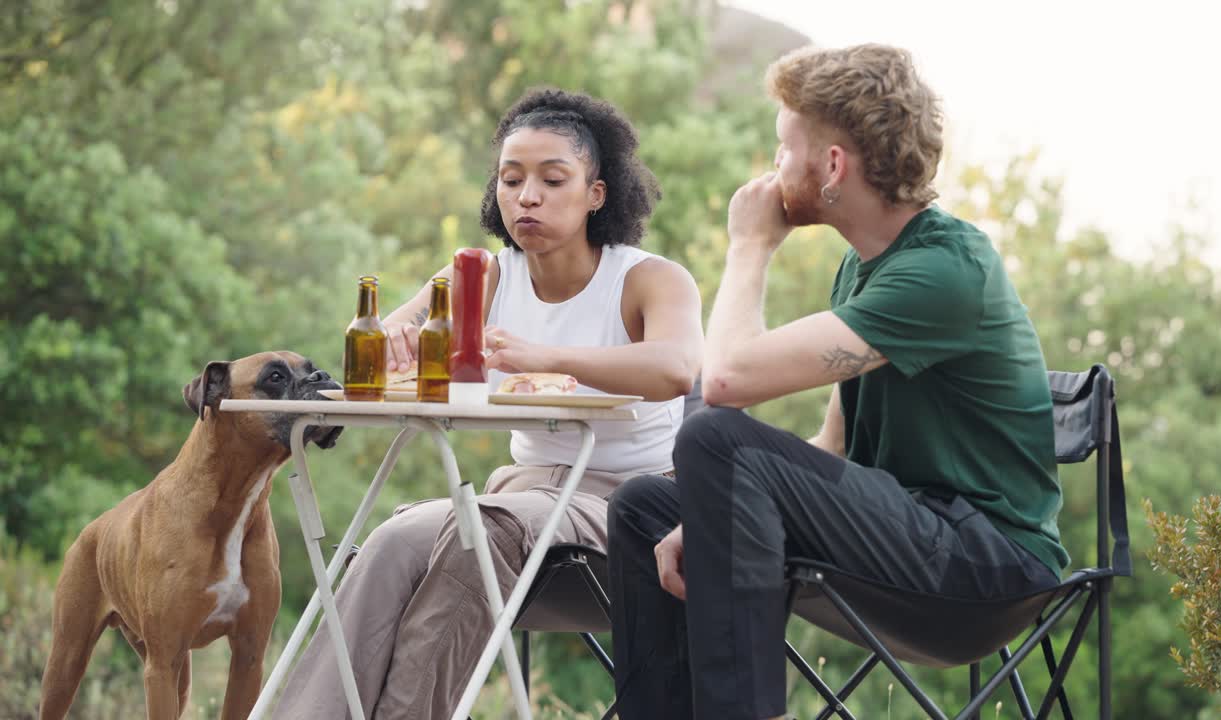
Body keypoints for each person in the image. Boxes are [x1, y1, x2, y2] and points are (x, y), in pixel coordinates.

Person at [607, 44, 1069, 720]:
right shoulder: (864, 270)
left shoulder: (945, 270)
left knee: (715, 439)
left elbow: (728, 382)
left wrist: (750, 246)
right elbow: (833, 446)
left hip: (985, 568)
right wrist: (707, 511)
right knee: (645, 509)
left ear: (830, 165)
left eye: (781, 148)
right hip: (909, 536)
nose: (771, 169)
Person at [274, 88, 703, 719]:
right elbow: (379, 348)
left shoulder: (647, 279)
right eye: (511, 179)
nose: (526, 196)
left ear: (597, 194)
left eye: (553, 180)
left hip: (624, 504)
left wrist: (546, 357)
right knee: (393, 541)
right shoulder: (486, 276)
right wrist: (394, 339)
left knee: (481, 527)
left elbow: (676, 367)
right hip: (521, 489)